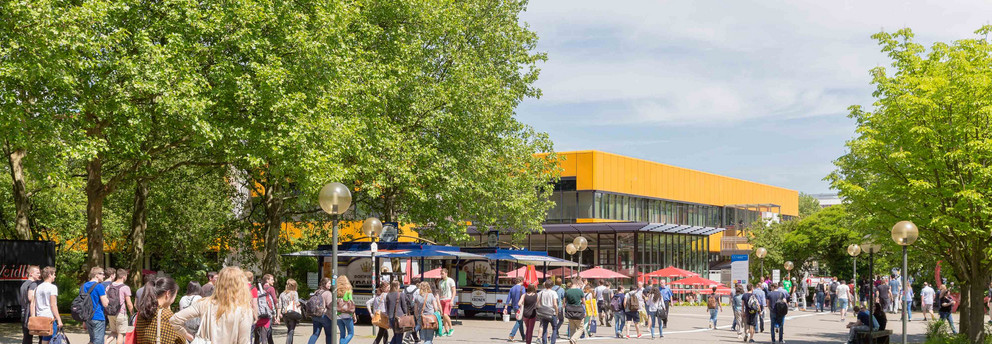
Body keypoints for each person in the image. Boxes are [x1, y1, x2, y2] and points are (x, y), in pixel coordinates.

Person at [170, 266, 255, 343]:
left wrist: (193, 338)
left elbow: (175, 320)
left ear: (219, 283)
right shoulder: (244, 310)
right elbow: (244, 341)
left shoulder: (204, 303)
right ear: (241, 285)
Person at [133, 276, 188, 344]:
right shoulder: (168, 316)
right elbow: (181, 340)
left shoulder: (141, 313)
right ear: (168, 293)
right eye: (175, 295)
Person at [31, 267, 61, 344]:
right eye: (54, 274)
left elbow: (33, 304)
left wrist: (33, 317)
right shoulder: (52, 287)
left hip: (40, 317)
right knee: (51, 339)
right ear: (49, 275)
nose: (55, 276)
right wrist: (59, 320)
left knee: (45, 338)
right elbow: (53, 305)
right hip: (50, 318)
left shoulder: (37, 288)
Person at [80, 267, 110, 344]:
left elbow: (82, 304)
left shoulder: (83, 286)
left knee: (92, 340)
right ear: (97, 275)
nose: (104, 276)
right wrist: (106, 295)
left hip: (87, 317)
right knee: (98, 341)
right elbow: (105, 303)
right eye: (102, 274)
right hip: (98, 317)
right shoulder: (99, 286)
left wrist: (83, 320)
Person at [106, 268, 134, 344]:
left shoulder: (109, 286)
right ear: (124, 276)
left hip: (111, 313)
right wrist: (132, 313)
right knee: (121, 334)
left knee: (113, 332)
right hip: (120, 313)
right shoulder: (125, 287)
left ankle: (106, 342)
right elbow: (129, 303)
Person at [306, 277, 334, 344]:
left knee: (315, 334)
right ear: (324, 283)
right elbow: (330, 305)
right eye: (329, 283)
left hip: (315, 315)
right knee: (329, 335)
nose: (330, 285)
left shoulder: (316, 292)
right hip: (325, 316)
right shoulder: (327, 293)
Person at [19, 265, 40, 344]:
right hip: (29, 313)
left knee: (26, 337)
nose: (39, 275)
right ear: (31, 273)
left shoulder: (24, 284)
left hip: (23, 312)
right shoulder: (33, 284)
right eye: (37, 273)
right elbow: (31, 298)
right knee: (42, 336)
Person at [254, 274, 278, 344]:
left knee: (257, 337)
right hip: (267, 313)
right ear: (267, 280)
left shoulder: (258, 289)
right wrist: (275, 314)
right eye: (272, 279)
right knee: (265, 334)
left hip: (258, 314)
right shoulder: (271, 289)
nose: (273, 281)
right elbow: (273, 300)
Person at [564, 278, 588, 344]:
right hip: (578, 311)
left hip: (569, 311)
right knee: (581, 328)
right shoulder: (580, 291)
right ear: (577, 283)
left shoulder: (567, 291)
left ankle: (572, 341)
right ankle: (573, 339)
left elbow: (564, 303)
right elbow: (584, 302)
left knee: (572, 328)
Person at [280, 278, 303, 344]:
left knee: (289, 329)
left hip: (285, 314)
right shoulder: (294, 293)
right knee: (291, 331)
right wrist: (301, 304)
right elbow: (296, 303)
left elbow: (279, 305)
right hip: (292, 313)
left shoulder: (282, 294)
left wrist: (278, 315)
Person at [537, 279, 560, 344]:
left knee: (544, 328)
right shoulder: (553, 293)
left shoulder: (541, 292)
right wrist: (557, 312)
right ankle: (552, 342)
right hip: (552, 312)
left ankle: (544, 342)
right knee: (554, 328)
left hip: (543, 312)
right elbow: (555, 304)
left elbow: (537, 302)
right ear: (552, 285)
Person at [504, 277, 526, 342]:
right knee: (519, 321)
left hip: (514, 306)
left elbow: (508, 298)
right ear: (521, 281)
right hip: (520, 307)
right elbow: (524, 297)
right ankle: (512, 335)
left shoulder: (512, 288)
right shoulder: (522, 288)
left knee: (520, 321)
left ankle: (523, 337)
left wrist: (505, 307)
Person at [336, 276, 356, 344]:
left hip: (338, 315)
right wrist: (354, 315)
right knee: (351, 333)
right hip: (347, 315)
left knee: (342, 333)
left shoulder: (336, 292)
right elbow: (351, 303)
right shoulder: (348, 291)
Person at [438, 268, 456, 336]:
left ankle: (451, 328)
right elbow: (440, 291)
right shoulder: (440, 282)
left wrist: (452, 300)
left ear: (446, 273)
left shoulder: (450, 280)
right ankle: (446, 330)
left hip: (448, 299)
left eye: (443, 274)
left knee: (446, 314)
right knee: (444, 316)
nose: (441, 275)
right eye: (441, 274)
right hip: (442, 299)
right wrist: (438, 299)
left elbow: (454, 291)